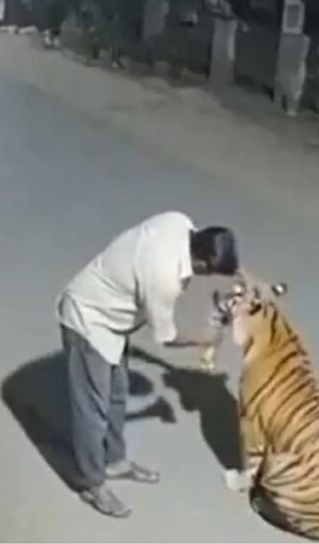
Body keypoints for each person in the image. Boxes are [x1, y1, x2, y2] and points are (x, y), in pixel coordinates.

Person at [56, 211, 239, 518]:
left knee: (117, 395)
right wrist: (204, 338)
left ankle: (114, 460)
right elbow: (165, 337)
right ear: (203, 263)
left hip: (115, 321)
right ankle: (91, 483)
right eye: (211, 273)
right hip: (88, 320)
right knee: (93, 411)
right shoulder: (164, 277)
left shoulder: (179, 222)